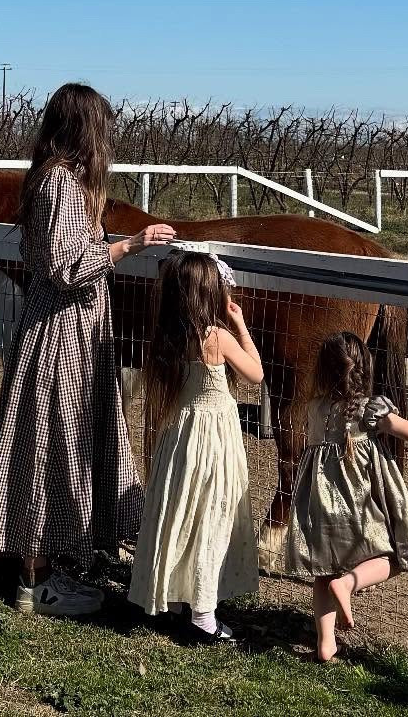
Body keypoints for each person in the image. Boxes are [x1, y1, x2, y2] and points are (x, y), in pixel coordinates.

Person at [0, 82, 176, 618]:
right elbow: (65, 266)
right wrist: (129, 245)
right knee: (46, 449)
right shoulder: (60, 184)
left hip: (69, 334)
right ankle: (35, 582)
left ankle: (46, 566)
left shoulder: (51, 181)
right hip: (61, 336)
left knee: (56, 447)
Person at [283, 330, 408, 662]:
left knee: (323, 570)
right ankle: (350, 585)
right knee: (396, 556)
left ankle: (325, 643)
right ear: (365, 368)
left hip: (319, 501)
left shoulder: (314, 406)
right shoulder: (369, 409)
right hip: (355, 499)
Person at [128, 250, 262, 643]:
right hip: (214, 440)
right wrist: (239, 324)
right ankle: (203, 614)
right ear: (209, 293)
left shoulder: (169, 334)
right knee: (212, 517)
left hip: (181, 437)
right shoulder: (216, 337)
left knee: (180, 512)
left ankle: (174, 595)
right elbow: (255, 374)